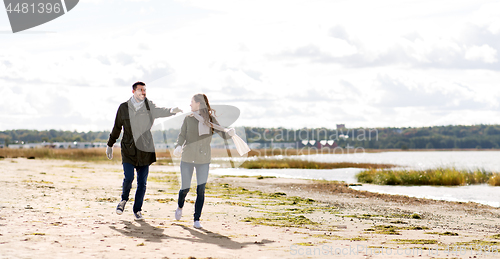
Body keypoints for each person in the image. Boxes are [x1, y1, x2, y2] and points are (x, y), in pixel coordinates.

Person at [106, 81, 182, 221]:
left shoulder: (149, 105)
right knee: (129, 177)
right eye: (140, 90)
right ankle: (123, 200)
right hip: (128, 149)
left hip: (145, 149)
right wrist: (110, 144)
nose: (143, 92)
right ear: (133, 91)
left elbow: (159, 111)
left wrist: (171, 111)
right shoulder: (123, 108)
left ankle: (137, 210)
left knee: (142, 183)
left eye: (145, 90)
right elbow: (117, 127)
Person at [173, 93, 235, 228]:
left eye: (192, 102)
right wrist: (178, 146)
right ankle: (180, 206)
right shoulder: (188, 119)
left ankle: (196, 219)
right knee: (185, 188)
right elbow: (182, 135)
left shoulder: (210, 119)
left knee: (201, 189)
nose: (190, 104)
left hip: (203, 159)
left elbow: (223, 133)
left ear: (198, 104)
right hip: (188, 158)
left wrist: (230, 133)